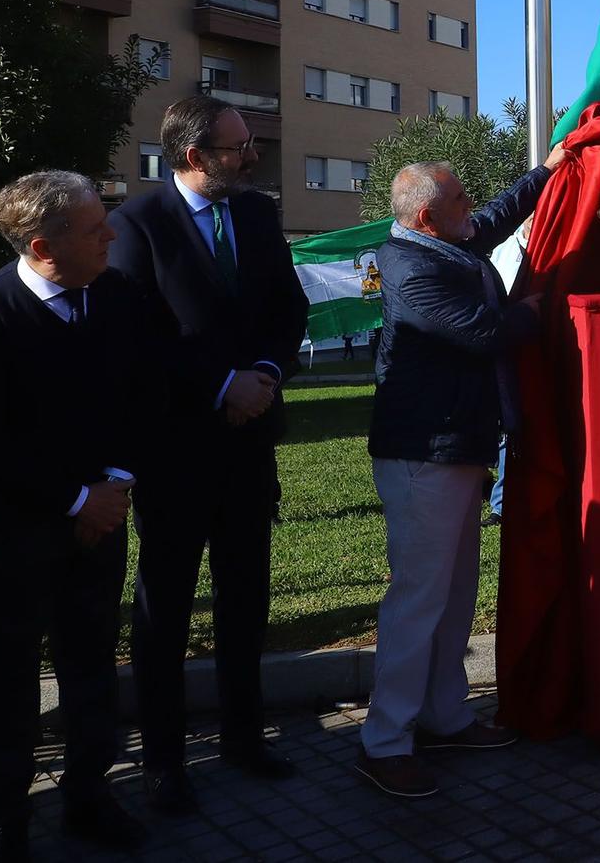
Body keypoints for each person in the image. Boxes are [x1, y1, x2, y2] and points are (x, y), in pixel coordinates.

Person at [0, 173, 159, 859]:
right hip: (11, 539)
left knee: (92, 663)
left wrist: (115, 487)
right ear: (42, 246)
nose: (113, 235)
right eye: (96, 228)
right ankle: (8, 820)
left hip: (98, 525)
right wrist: (75, 499)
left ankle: (89, 798)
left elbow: (139, 398)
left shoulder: (118, 297)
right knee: (6, 679)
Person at [109, 95, 310, 811]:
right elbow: (137, 338)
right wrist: (220, 383)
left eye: (250, 143)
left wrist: (266, 375)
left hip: (250, 444)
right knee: (164, 608)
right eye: (237, 148)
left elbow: (289, 310)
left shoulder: (256, 214)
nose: (252, 157)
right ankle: (165, 758)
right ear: (194, 158)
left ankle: (244, 736)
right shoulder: (136, 225)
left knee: (244, 595)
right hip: (176, 451)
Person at [355, 152, 566, 797]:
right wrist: (536, 308)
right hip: (425, 450)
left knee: (451, 596)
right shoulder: (409, 267)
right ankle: (385, 741)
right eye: (457, 202)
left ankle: (445, 715)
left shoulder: (441, 240)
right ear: (425, 216)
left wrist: (547, 171)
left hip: (458, 446)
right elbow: (482, 332)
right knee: (419, 599)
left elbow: (495, 218)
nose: (470, 209)